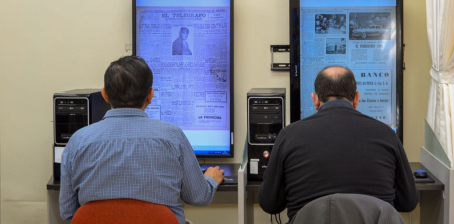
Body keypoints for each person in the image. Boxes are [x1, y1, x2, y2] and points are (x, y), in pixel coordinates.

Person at [59, 56, 224, 224]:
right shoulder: (173, 136)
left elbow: (67, 213)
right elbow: (198, 197)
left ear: (105, 95)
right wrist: (210, 180)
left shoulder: (77, 141)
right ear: (150, 95)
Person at [258, 66, 418, 222]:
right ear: (356, 98)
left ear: (315, 99)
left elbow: (269, 204)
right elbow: (408, 202)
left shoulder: (289, 135)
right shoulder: (387, 134)